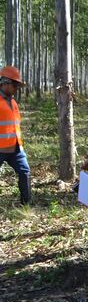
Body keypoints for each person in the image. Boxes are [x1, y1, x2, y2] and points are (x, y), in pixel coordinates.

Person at [0, 65, 31, 205]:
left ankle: (27, 204)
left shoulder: (13, 102)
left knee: (25, 172)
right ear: (5, 83)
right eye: (15, 85)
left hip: (15, 148)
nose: (16, 89)